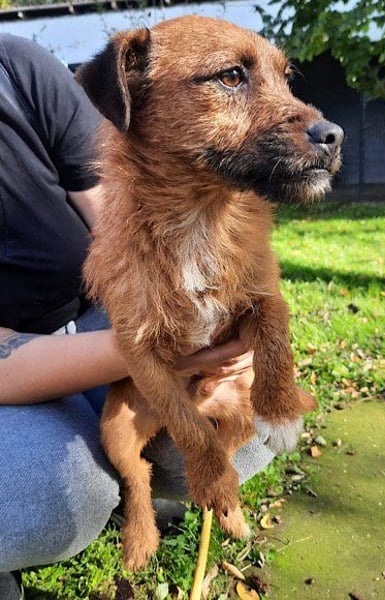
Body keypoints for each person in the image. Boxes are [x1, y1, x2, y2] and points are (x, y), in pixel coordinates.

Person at [0, 33, 274, 599]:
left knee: (249, 422)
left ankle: (141, 482)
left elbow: (120, 212)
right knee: (53, 500)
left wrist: (210, 308)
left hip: (94, 310)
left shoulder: (15, 68)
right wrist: (152, 348)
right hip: (18, 368)